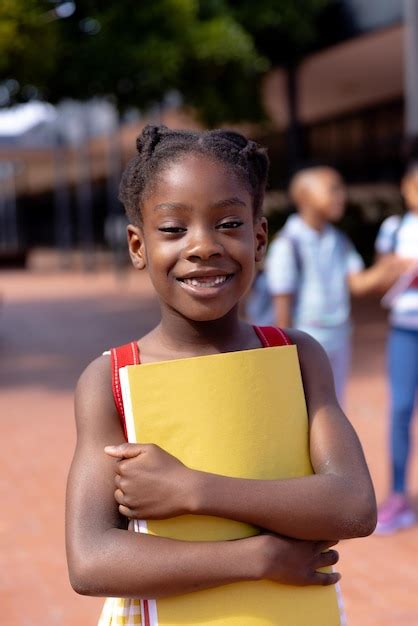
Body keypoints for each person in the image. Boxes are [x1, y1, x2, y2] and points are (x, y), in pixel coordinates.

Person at [66, 127, 377, 625]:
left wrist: (193, 489)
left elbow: (354, 504)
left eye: (229, 223)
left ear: (259, 239)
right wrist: (257, 559)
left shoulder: (297, 357)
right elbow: (91, 559)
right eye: (173, 229)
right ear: (137, 245)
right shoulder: (112, 379)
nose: (203, 246)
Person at [265, 166, 408, 404]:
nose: (341, 196)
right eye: (333, 190)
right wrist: (285, 355)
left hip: (339, 337)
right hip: (306, 341)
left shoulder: (338, 240)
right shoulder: (288, 244)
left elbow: (357, 284)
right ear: (304, 196)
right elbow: (282, 308)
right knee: (307, 409)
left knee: (334, 405)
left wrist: (390, 268)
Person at [374, 162, 418, 534]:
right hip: (404, 331)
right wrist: (396, 267)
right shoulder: (394, 229)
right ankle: (399, 494)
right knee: (401, 410)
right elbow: (377, 277)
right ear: (406, 188)